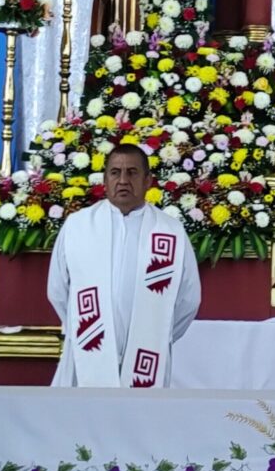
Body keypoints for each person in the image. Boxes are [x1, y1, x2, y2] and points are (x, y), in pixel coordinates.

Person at [48, 144, 200, 388]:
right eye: (115, 172)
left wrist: (156, 330)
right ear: (105, 179)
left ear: (148, 180)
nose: (123, 180)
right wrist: (85, 325)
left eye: (132, 172)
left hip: (146, 354)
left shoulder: (170, 231)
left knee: (141, 423)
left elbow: (188, 299)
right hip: (89, 346)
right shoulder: (78, 226)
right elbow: (57, 289)